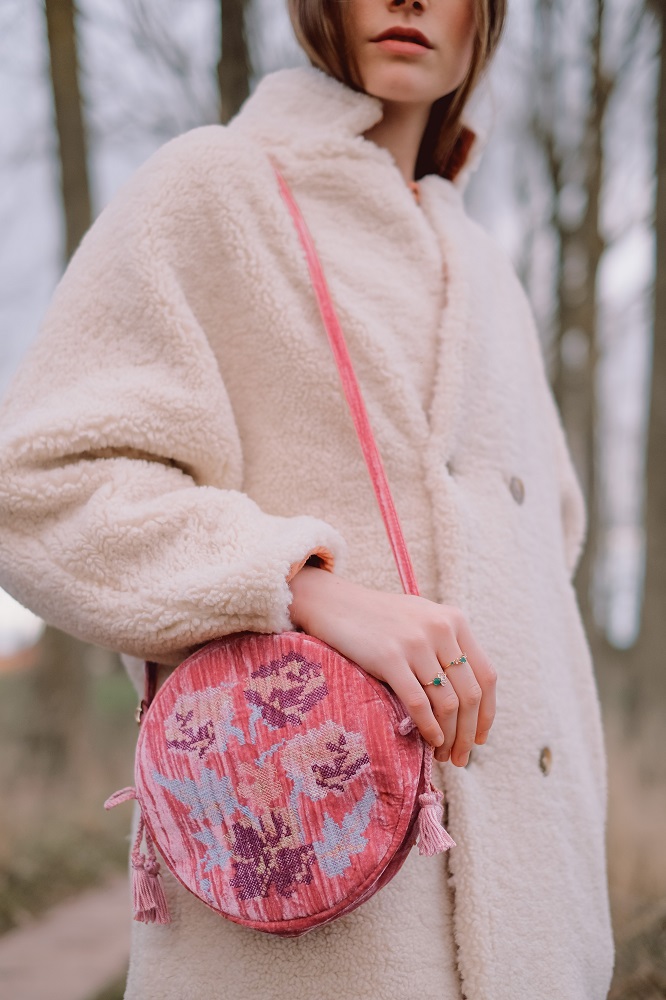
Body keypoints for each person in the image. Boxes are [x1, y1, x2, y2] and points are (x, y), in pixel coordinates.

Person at [0, 0, 615, 997]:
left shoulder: (492, 270)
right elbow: (40, 481)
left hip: (545, 935)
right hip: (319, 937)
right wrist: (306, 589)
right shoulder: (216, 187)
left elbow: (549, 568)